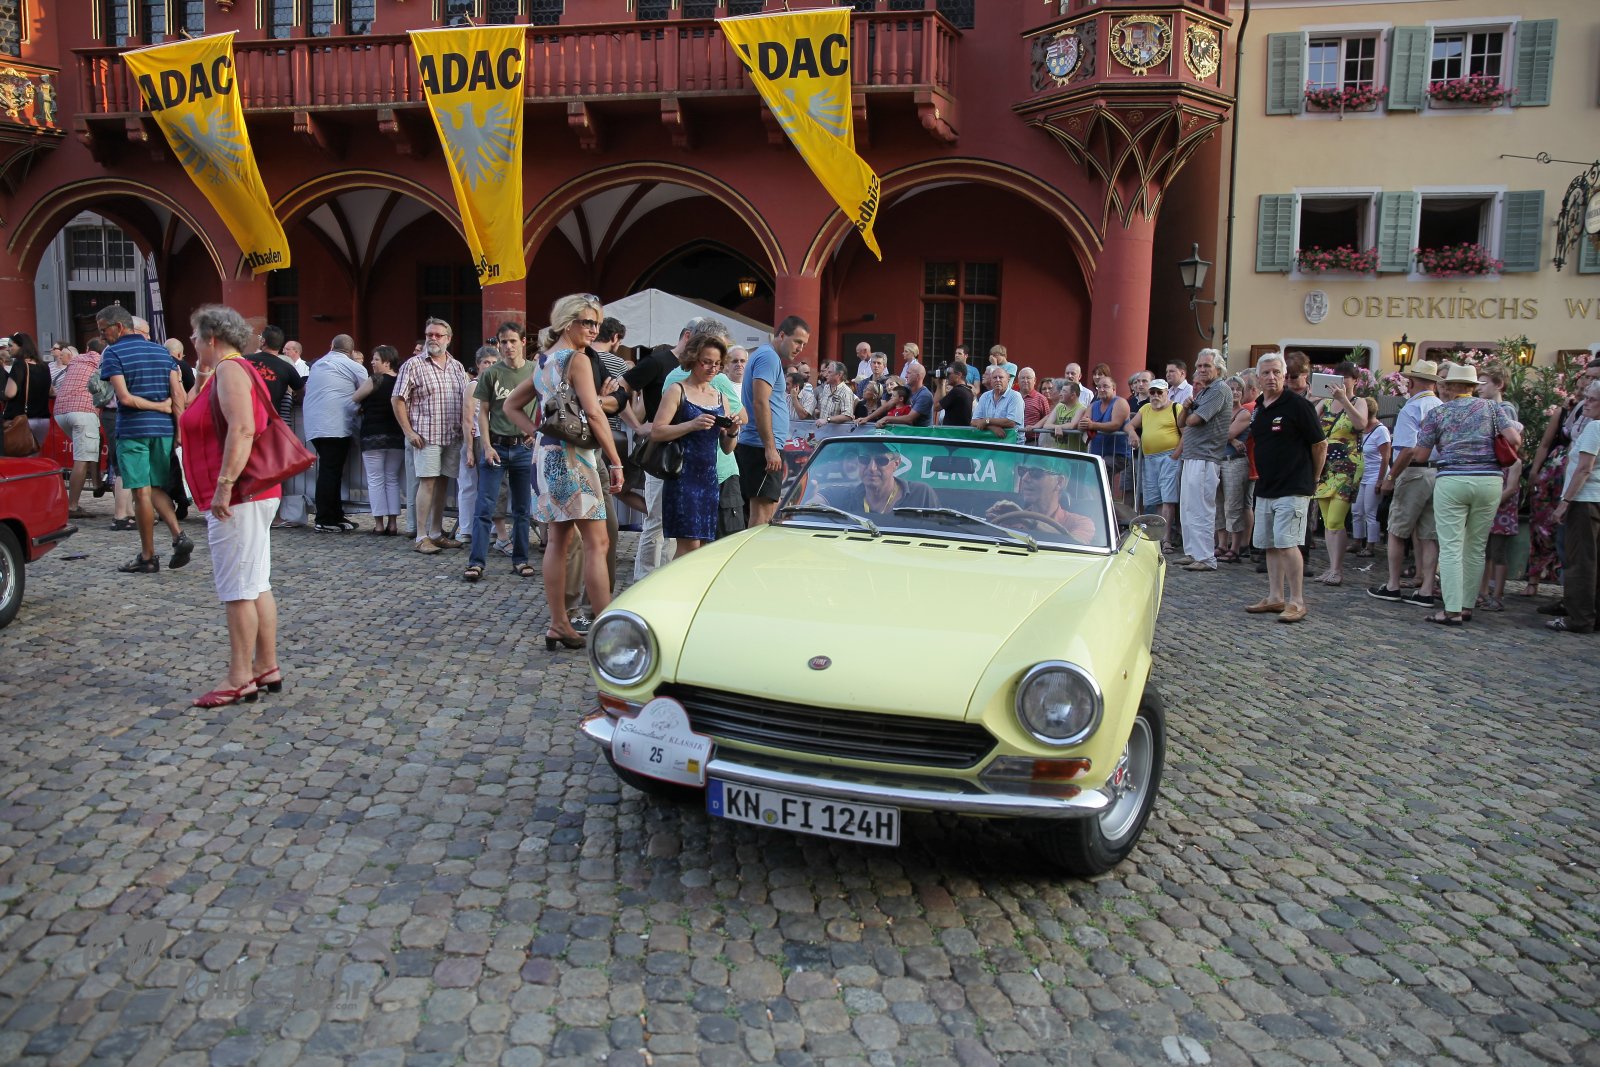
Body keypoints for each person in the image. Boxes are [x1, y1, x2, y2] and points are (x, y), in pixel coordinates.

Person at [176, 305, 284, 708]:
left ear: (211, 338)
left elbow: (242, 428)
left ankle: (240, 677)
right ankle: (266, 666)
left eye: (195, 335)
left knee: (237, 589)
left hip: (238, 496)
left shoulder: (231, 370)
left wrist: (224, 487)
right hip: (251, 494)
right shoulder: (229, 369)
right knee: (255, 583)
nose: (191, 341)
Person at [507, 294, 624, 651]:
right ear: (567, 322)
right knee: (597, 543)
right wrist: (615, 461)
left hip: (547, 456)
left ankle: (559, 623)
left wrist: (537, 433)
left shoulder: (543, 360)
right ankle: (606, 632)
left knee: (559, 541)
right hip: (575, 458)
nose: (594, 329)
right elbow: (595, 413)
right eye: (587, 322)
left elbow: (511, 406)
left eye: (597, 323)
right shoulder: (577, 359)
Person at [1409, 363, 1521, 626]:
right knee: (1476, 547)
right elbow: (1514, 440)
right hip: (1489, 481)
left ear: (1449, 386)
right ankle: (1467, 605)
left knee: (1450, 547)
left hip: (1453, 480)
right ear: (1473, 386)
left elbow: (1422, 455)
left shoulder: (1438, 413)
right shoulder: (1492, 408)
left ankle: (1452, 610)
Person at [96, 305, 193, 574]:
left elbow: (124, 398)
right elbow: (178, 394)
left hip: (133, 430)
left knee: (141, 492)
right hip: (162, 432)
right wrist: (178, 429)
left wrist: (157, 406)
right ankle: (178, 536)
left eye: (103, 330)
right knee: (155, 487)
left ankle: (148, 557)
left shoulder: (113, 353)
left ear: (119, 327)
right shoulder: (162, 352)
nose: (102, 336)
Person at [623, 316, 714, 577]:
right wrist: (637, 425)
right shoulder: (658, 362)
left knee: (676, 525)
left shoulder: (698, 371)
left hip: (688, 456)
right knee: (656, 520)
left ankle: (664, 577)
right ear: (687, 336)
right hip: (661, 451)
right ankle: (644, 579)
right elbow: (620, 388)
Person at [1244, 352, 1325, 624]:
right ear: (1258, 377)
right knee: (1269, 544)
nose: (1272, 377)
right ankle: (1275, 596)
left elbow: (1319, 444)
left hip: (1293, 486)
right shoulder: (1259, 406)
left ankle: (1297, 601)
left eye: (1277, 372)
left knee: (1288, 543)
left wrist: (1314, 478)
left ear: (1284, 375)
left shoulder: (1298, 405)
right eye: (1266, 373)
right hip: (1267, 485)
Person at [654, 333, 737, 556]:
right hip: (682, 477)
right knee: (688, 547)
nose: (712, 368)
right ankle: (675, 581)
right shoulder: (677, 390)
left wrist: (732, 431)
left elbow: (727, 448)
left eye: (717, 363)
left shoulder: (720, 397)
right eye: (706, 362)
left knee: (703, 549)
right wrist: (691, 425)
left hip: (709, 479)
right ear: (693, 359)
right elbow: (657, 431)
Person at [465, 325, 536, 583]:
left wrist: (536, 430)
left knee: (522, 509)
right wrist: (486, 445)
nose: (508, 346)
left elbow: (545, 403)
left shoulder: (534, 371)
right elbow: (482, 412)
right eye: (503, 342)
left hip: (523, 447)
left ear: (523, 342)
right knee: (484, 507)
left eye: (512, 341)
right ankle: (476, 562)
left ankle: (521, 559)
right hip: (496, 445)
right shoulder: (492, 373)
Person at [1369, 360, 1443, 607]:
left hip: (1414, 472)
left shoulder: (1412, 408)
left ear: (1411, 383)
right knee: (1429, 534)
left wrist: (1390, 477)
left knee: (1397, 530)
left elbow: (1408, 449)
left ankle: (1393, 585)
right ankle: (1426, 589)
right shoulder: (1441, 406)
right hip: (1437, 472)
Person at [393, 317, 469, 554]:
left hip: (452, 435)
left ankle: (436, 532)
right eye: (429, 335)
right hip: (426, 435)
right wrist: (408, 431)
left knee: (443, 483)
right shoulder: (413, 365)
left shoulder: (457, 367)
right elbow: (398, 399)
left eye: (438, 335)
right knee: (426, 483)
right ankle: (421, 535)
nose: (433, 339)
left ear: (448, 339)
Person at [1526, 357, 1600, 598]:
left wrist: (1567, 500)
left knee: (1582, 551)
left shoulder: (1595, 421)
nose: (1588, 383)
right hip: (1562, 476)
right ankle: (1569, 598)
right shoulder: (1577, 407)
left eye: (1595, 378)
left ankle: (1579, 606)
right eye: (1587, 377)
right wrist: (1536, 471)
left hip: (1584, 487)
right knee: (1560, 537)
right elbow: (1551, 441)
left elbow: (1586, 466)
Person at [736, 315, 811, 526]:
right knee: (761, 516)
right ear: (782, 335)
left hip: (762, 445)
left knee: (767, 512)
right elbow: (760, 402)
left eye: (804, 344)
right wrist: (770, 448)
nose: (800, 348)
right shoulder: (768, 357)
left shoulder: (767, 356)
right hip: (760, 446)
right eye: (797, 341)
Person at [1309, 362, 1371, 586]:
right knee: (1328, 521)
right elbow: (1309, 423)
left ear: (1355, 381)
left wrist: (1344, 400)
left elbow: (1361, 424)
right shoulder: (1325, 403)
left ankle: (1337, 569)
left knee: (1336, 518)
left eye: (1346, 378)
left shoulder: (1358, 402)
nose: (1341, 382)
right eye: (1338, 377)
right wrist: (1311, 399)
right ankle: (1332, 567)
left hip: (1347, 466)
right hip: (1325, 466)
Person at [1548, 381, 1600, 633]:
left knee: (1580, 560)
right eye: (1586, 397)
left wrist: (1565, 502)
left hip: (1584, 500)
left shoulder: (1595, 428)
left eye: (1592, 399)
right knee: (1594, 559)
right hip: (1596, 498)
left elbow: (1584, 468)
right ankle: (1592, 614)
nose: (1585, 403)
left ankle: (1579, 617)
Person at [303, 334, 367, 532]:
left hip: (314, 425)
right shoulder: (354, 367)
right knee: (330, 471)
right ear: (351, 351)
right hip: (336, 425)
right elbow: (368, 391)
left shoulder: (317, 365)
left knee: (331, 470)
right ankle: (324, 518)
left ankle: (335, 514)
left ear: (331, 346)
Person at [353, 345, 405, 535]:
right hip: (396, 434)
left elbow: (355, 397)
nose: (372, 362)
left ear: (387, 362)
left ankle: (379, 524)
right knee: (392, 479)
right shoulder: (401, 381)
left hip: (373, 434)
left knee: (375, 479)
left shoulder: (375, 379)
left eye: (376, 359)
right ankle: (393, 523)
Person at [1128, 379, 1181, 548]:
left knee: (1168, 499)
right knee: (1156, 500)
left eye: (1159, 392)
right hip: (1150, 458)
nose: (1155, 395)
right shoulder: (1145, 409)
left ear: (1167, 393)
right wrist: (1133, 434)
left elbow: (1186, 433)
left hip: (1169, 457)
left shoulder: (1176, 408)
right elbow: (1129, 425)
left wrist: (1175, 455)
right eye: (1152, 392)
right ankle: (1159, 538)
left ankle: (1167, 539)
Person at [455, 345, 498, 545]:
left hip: (493, 438)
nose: (489, 366)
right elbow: (467, 418)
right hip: (475, 438)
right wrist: (470, 448)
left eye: (493, 362)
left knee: (490, 487)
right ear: (478, 365)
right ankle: (467, 528)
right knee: (469, 485)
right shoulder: (473, 385)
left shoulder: (498, 383)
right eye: (486, 362)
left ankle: (490, 528)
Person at [53, 342, 102, 517]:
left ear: (87, 349)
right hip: (83, 411)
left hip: (60, 411)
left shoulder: (76, 360)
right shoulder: (103, 359)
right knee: (82, 458)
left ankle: (97, 483)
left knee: (90, 449)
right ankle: (72, 506)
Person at [821, 442, 937, 515]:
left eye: (881, 460)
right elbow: (815, 503)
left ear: (896, 463)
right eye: (864, 459)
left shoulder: (921, 493)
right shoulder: (845, 496)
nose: (872, 468)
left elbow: (940, 530)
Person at [1082, 371, 1133, 500]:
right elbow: (1083, 423)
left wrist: (1092, 425)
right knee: (1095, 478)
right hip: (1097, 453)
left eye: (1105, 386)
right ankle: (1102, 504)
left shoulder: (1120, 403)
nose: (1101, 389)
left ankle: (1105, 505)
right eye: (1099, 387)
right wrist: (1083, 424)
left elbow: (1115, 425)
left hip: (1118, 454)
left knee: (1101, 469)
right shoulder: (1093, 405)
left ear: (1114, 389)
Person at [4, 332, 52, 450]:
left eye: (11, 345)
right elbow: (50, 391)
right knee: (34, 454)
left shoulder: (19, 364)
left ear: (21, 346)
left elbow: (10, 393)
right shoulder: (44, 366)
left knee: (16, 455)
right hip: (43, 420)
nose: (8, 349)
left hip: (20, 419)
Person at [1352, 413, 1391, 558]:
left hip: (1375, 475)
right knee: (1356, 510)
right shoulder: (1360, 428)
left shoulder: (1381, 430)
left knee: (1370, 511)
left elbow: (1386, 457)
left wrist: (1380, 480)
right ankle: (1357, 541)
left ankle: (1370, 545)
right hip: (1361, 475)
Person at [858, 362, 932, 427]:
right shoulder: (906, 388)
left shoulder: (924, 395)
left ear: (918, 376)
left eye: (909, 373)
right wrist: (867, 418)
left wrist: (886, 418)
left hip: (919, 434)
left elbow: (909, 419)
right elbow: (887, 405)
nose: (906, 376)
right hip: (904, 432)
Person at [971, 365, 1024, 438]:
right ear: (991, 381)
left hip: (1012, 441)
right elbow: (974, 421)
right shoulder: (985, 396)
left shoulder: (1015, 396)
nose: (998, 380)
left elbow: (1011, 422)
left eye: (1001, 377)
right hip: (990, 441)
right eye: (995, 377)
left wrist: (987, 421)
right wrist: (992, 427)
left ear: (1008, 380)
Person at [813, 361, 857, 430]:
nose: (825, 375)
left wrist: (827, 419)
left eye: (829, 372)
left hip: (836, 433)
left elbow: (847, 416)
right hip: (821, 430)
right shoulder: (826, 387)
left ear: (839, 374)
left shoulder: (846, 391)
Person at [1016, 368, 1050, 444]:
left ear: (1034, 380)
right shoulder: (1013, 396)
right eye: (1022, 378)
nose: (1025, 381)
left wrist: (1034, 427)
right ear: (1018, 380)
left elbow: (1047, 418)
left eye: (1028, 378)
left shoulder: (1041, 399)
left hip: (1032, 442)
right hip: (1013, 440)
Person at [938, 363, 974, 427]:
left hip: (952, 431)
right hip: (960, 431)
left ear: (959, 375)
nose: (947, 376)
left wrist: (940, 384)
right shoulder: (968, 390)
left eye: (949, 373)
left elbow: (936, 406)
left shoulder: (957, 391)